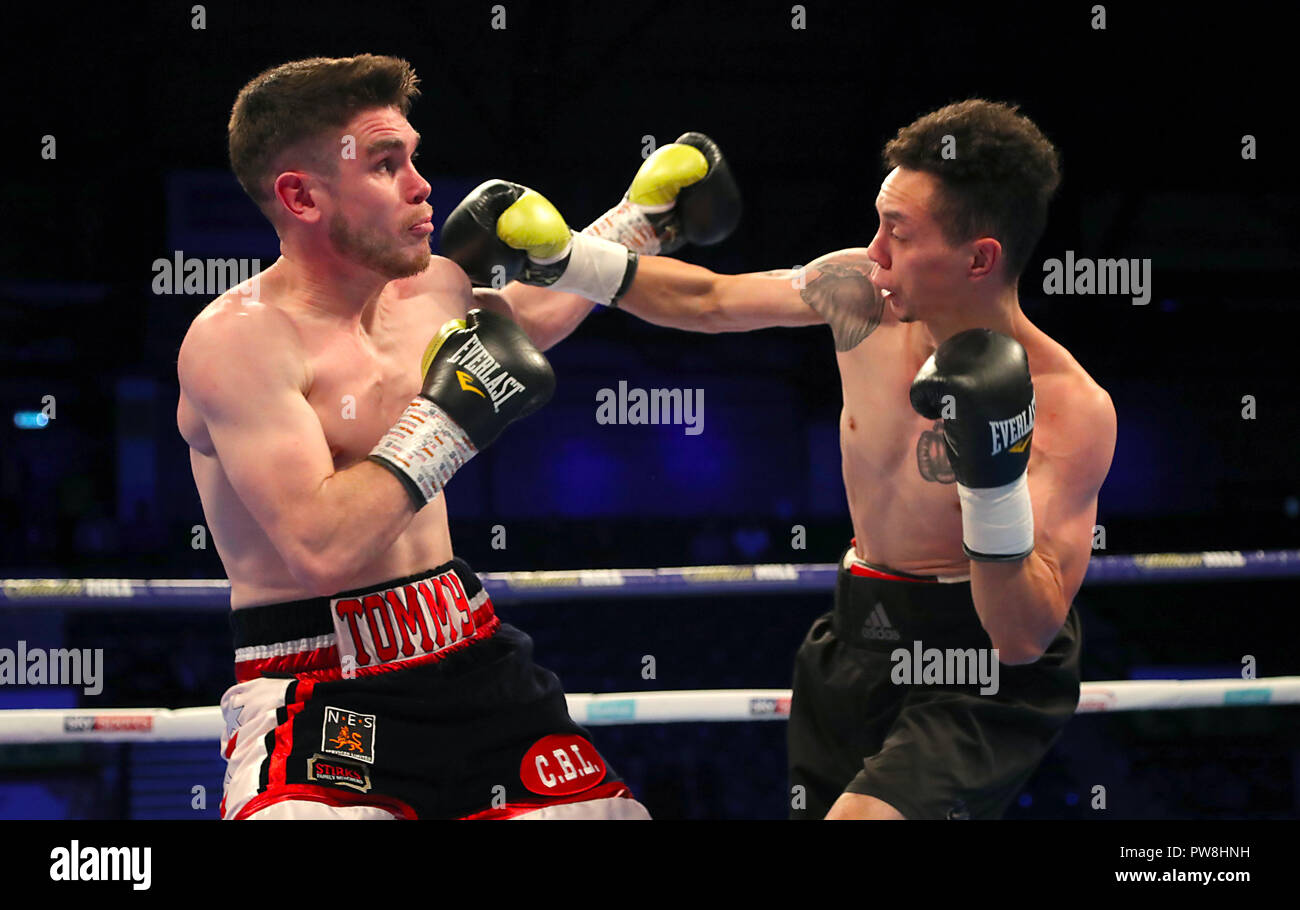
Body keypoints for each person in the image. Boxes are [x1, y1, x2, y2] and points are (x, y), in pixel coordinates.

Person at [462, 99, 1116, 819]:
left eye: (897, 233)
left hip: (977, 669)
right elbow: (710, 300)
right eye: (877, 224)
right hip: (858, 630)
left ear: (980, 257)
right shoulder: (860, 295)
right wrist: (568, 259)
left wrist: (992, 484)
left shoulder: (1069, 408)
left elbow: (1021, 637)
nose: (874, 252)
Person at [176, 54, 735, 819]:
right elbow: (320, 544)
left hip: (469, 653)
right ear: (301, 196)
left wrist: (640, 219)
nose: (420, 184)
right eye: (384, 165)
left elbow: (529, 323)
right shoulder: (238, 342)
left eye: (411, 157)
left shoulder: (430, 287)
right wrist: (448, 420)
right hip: (319, 683)